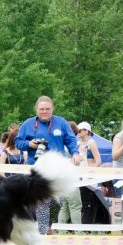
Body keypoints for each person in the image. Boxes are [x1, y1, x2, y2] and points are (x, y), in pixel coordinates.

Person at [15, 96, 80, 234]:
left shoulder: (61, 122)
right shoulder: (28, 124)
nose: (44, 111)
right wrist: (29, 144)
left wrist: (75, 153)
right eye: (42, 109)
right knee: (43, 201)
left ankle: (47, 226)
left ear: (52, 109)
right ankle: (43, 232)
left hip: (58, 169)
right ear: (37, 109)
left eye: (47, 109)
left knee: (58, 201)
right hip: (37, 168)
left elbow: (71, 139)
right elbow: (18, 142)